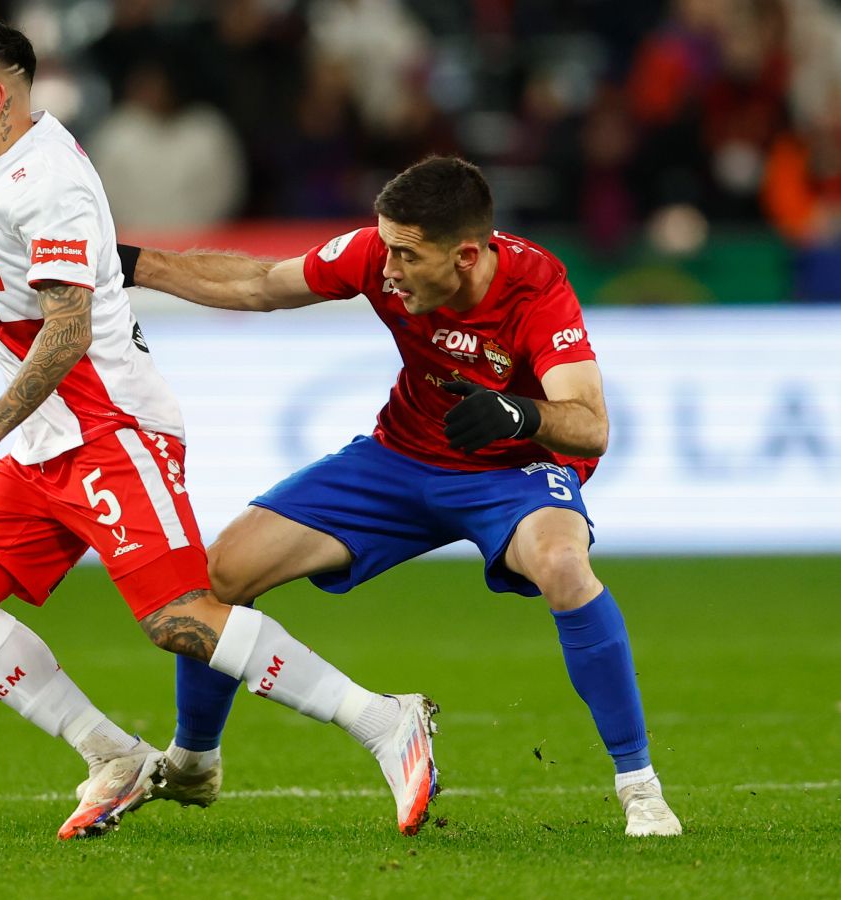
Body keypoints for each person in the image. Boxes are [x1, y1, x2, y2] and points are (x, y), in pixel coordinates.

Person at [0, 18, 441, 840]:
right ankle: (113, 755)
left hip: (110, 430)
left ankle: (383, 720)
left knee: (180, 616)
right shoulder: (6, 159)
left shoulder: (51, 184)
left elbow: (67, 329)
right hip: (47, 441)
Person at [117, 155, 683, 838]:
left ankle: (640, 788)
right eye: (385, 248)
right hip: (401, 456)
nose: (386, 269)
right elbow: (262, 284)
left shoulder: (537, 288)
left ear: (465, 256)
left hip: (512, 472)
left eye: (406, 256)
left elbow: (591, 426)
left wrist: (519, 414)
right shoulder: (376, 255)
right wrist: (132, 264)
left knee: (564, 567)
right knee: (222, 572)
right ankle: (194, 761)